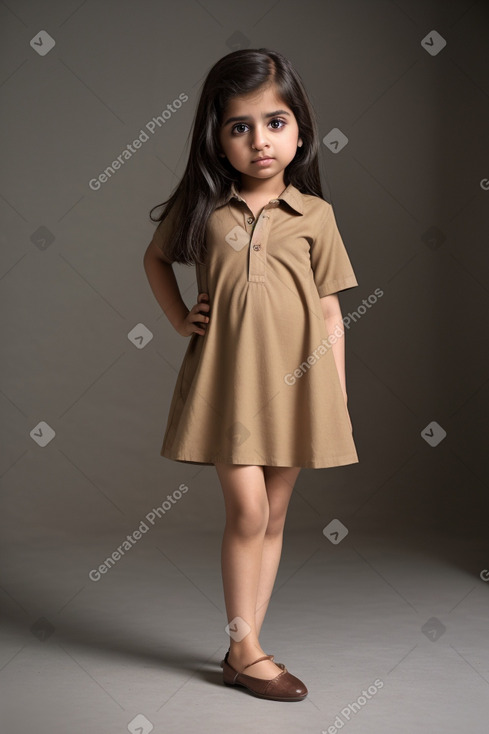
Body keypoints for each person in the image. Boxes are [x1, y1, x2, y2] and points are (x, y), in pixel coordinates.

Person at [143, 48, 359, 702]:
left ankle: (246, 646)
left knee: (273, 514)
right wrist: (181, 317)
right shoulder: (206, 207)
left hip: (299, 388)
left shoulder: (314, 215)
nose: (258, 140)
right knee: (247, 508)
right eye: (238, 126)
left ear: (299, 131)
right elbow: (155, 259)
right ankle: (246, 649)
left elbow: (328, 310)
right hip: (227, 385)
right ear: (217, 136)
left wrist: (336, 394)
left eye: (274, 122)